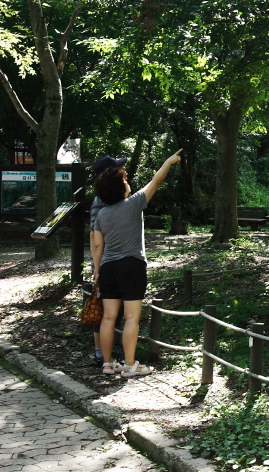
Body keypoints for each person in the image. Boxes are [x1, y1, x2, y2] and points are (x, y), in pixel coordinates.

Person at [93, 149, 182, 377]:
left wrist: (97, 270)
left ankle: (108, 363)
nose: (127, 181)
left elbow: (97, 245)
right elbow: (156, 180)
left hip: (108, 268)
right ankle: (130, 364)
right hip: (131, 265)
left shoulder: (102, 214)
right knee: (132, 317)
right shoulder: (133, 204)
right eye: (124, 179)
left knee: (108, 317)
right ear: (119, 187)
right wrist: (169, 162)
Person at [88, 155, 127, 367]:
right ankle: (102, 355)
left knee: (106, 311)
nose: (123, 171)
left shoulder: (104, 198)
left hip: (104, 263)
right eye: (119, 169)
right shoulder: (102, 200)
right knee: (106, 312)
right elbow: (95, 237)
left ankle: (102, 354)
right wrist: (98, 267)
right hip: (107, 264)